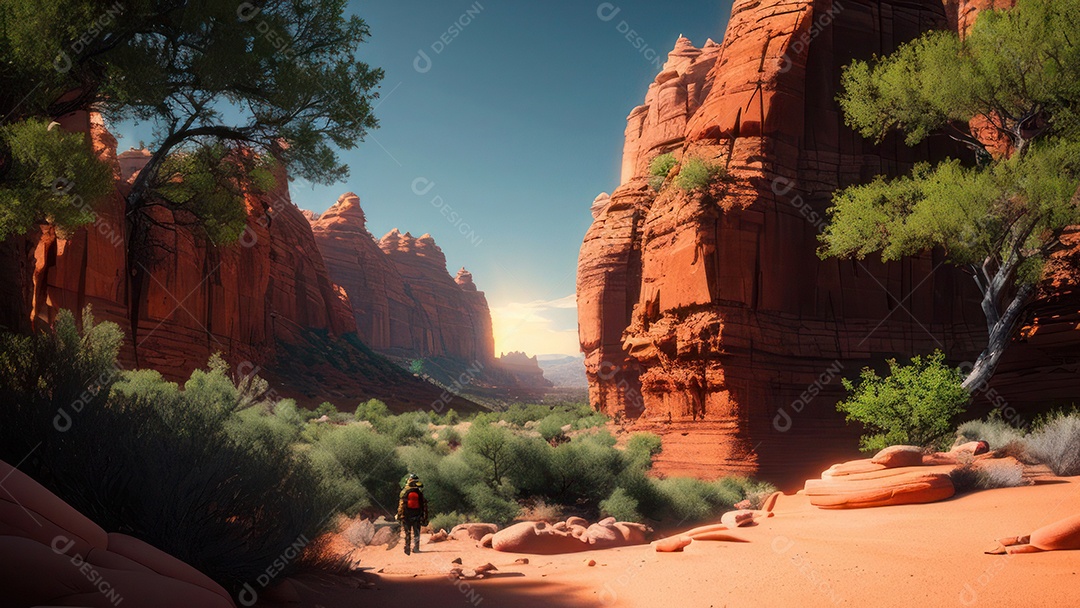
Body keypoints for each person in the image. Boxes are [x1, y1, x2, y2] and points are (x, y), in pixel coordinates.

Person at [396, 473, 428, 555]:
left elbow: (401, 505)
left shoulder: (405, 492)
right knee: (416, 532)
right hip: (417, 515)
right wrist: (424, 516)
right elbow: (424, 505)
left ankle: (407, 547)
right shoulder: (419, 493)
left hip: (406, 515)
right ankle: (416, 548)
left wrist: (399, 515)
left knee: (408, 532)